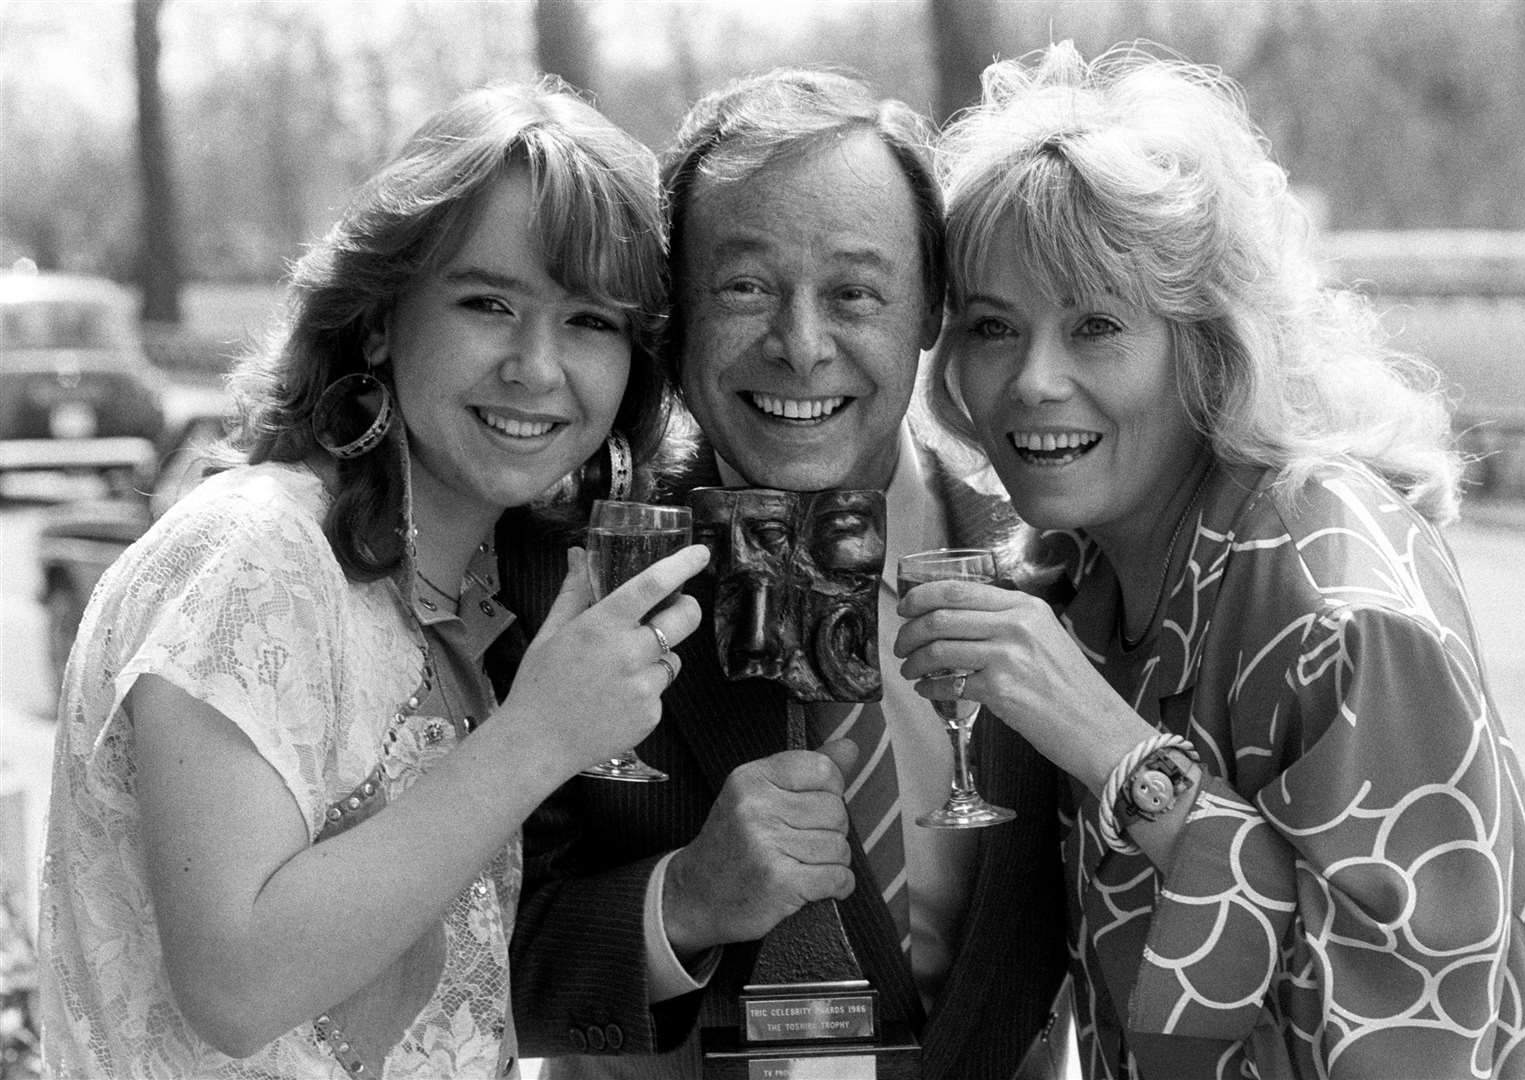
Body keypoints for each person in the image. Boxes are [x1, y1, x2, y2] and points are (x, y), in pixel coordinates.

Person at [896, 41, 1525, 1078]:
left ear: (1208, 342)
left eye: (1097, 325)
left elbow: (1409, 1035)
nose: (1032, 380)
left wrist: (1114, 750)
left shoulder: (1338, 603)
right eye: (993, 327)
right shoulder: (1079, 576)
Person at [36, 78, 707, 1079]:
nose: (536, 365)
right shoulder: (255, 557)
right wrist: (539, 739)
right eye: (488, 303)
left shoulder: (466, 594)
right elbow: (237, 986)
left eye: (590, 322)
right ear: (383, 316)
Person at [501, 69, 1071, 1078]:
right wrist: (684, 901)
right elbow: (472, 962)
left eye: (855, 292)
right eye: (746, 289)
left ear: (931, 307)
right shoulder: (564, 574)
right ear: (674, 318)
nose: (801, 347)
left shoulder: (1053, 570)